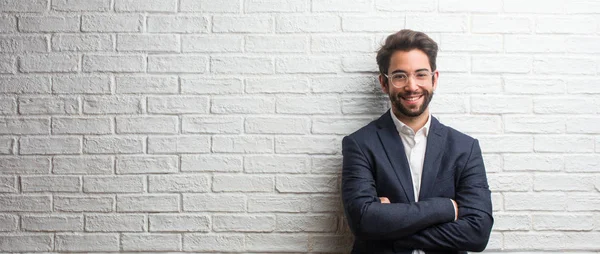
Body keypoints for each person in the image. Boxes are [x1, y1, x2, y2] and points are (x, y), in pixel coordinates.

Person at [341, 29, 493, 254]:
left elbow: (477, 233)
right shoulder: (360, 144)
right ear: (384, 83)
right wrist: (445, 208)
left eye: (421, 74)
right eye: (400, 76)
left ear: (434, 79)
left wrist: (389, 230)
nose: (412, 86)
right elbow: (363, 222)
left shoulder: (465, 148)